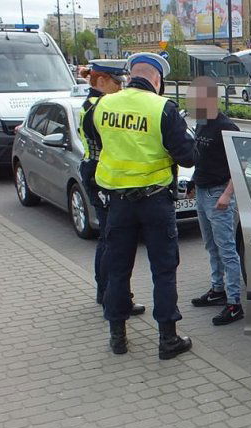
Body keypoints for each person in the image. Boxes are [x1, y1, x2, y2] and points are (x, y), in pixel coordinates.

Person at [93, 53, 195, 359]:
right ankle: (167, 340)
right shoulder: (163, 108)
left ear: (131, 75)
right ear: (157, 79)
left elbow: (96, 142)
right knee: (163, 270)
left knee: (118, 268)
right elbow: (188, 157)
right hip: (155, 201)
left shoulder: (103, 105)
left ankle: (118, 338)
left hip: (118, 202)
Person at [77, 59, 145, 317]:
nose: (122, 87)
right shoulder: (101, 107)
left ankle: (106, 292)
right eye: (119, 82)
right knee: (113, 239)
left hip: (94, 171)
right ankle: (113, 296)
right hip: (102, 174)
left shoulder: (92, 103)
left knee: (107, 237)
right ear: (103, 81)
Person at [188, 77, 244, 326]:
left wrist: (227, 194)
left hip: (218, 194)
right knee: (211, 246)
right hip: (202, 192)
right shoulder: (201, 124)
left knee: (227, 250)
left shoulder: (226, 126)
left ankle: (234, 304)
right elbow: (199, 158)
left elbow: (240, 164)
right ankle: (217, 289)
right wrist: (192, 182)